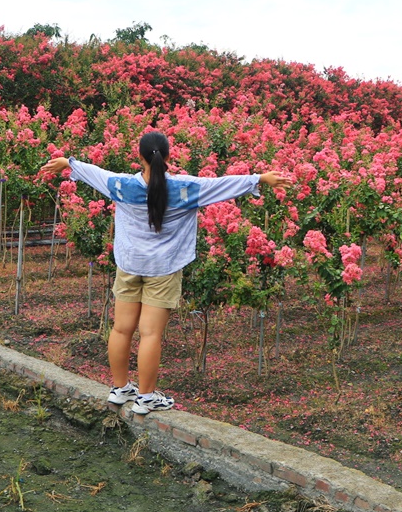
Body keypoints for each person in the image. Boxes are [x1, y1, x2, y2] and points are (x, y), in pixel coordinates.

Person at [40, 131, 291, 414]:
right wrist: (259, 179)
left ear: (139, 157)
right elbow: (222, 185)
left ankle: (120, 389)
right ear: (169, 157)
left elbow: (93, 172)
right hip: (164, 269)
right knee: (150, 335)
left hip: (129, 265)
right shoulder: (186, 189)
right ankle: (146, 398)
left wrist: (67, 163)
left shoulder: (120, 186)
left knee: (121, 329)